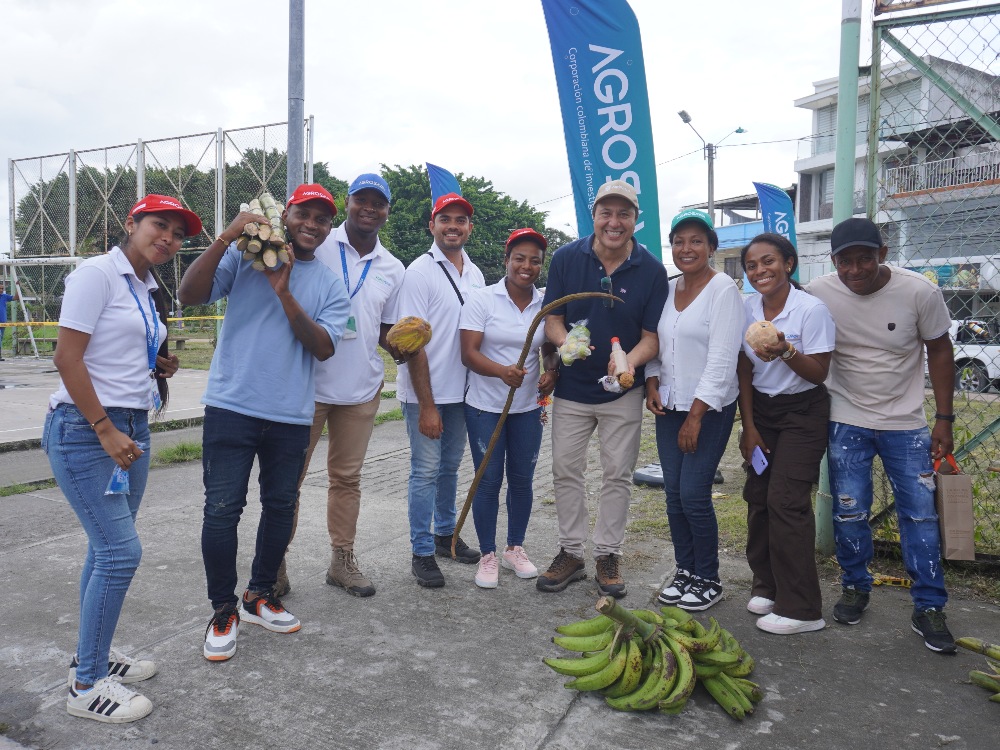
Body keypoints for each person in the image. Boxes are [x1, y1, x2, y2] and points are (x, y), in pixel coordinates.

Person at [177, 184, 350, 662]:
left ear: (328, 226)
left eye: (322, 218)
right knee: (221, 510)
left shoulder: (331, 284)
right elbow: (189, 294)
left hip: (290, 414)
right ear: (286, 215)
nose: (312, 224)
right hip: (231, 405)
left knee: (279, 507)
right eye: (304, 214)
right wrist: (223, 237)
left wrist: (284, 291)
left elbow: (323, 347)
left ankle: (259, 595)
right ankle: (222, 609)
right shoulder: (243, 257)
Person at [45, 194, 197, 722]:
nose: (169, 239)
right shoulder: (97, 275)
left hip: (132, 424)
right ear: (131, 223)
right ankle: (86, 687)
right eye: (160, 226)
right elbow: (68, 356)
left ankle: (92, 656)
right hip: (88, 430)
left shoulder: (144, 286)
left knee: (104, 549)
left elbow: (112, 347)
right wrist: (103, 427)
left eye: (178, 234)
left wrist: (158, 361)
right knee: (119, 553)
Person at [807, 217, 957, 654]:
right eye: (845, 261)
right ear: (833, 261)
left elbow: (940, 350)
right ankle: (856, 585)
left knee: (920, 517)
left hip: (905, 423)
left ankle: (929, 606)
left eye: (864, 259)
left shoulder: (918, 292)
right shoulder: (819, 292)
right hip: (845, 418)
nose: (855, 269)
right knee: (850, 512)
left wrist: (943, 419)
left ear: (883, 255)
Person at [275, 173, 404, 598]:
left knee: (347, 479)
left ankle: (341, 560)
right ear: (347, 203)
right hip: (303, 385)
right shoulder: (315, 241)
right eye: (361, 200)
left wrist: (408, 349)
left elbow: (386, 331)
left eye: (378, 203)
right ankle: (274, 561)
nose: (369, 208)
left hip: (360, 390)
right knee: (287, 480)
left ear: (387, 210)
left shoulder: (392, 268)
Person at [538, 180, 668, 598]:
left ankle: (608, 554)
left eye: (624, 214)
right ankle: (571, 552)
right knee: (566, 471)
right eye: (606, 214)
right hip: (573, 389)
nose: (614, 222)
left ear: (635, 220)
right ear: (593, 216)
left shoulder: (650, 269)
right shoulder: (565, 258)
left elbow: (653, 335)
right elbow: (552, 317)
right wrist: (564, 343)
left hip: (623, 393)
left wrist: (629, 358)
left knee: (617, 475)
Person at [736, 233, 834, 635]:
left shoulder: (811, 310)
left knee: (787, 501)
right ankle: (768, 585)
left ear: (788, 264)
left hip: (803, 412)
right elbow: (743, 368)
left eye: (769, 261)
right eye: (752, 265)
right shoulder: (745, 308)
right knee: (758, 497)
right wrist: (749, 424)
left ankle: (803, 608)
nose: (761, 271)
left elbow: (819, 373)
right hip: (762, 410)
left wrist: (785, 351)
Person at [647, 209, 743, 612]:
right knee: (673, 495)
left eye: (696, 241)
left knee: (693, 493)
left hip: (708, 408)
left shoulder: (723, 289)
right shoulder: (667, 289)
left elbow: (723, 358)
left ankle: (708, 578)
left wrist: (697, 416)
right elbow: (655, 339)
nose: (686, 248)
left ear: (711, 247)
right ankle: (685, 570)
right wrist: (651, 381)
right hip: (669, 405)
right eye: (679, 241)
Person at [459, 228, 558, 589]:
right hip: (486, 407)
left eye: (535, 260)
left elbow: (548, 348)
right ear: (506, 260)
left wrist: (552, 372)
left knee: (522, 480)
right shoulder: (482, 299)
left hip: (529, 408)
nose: (526, 266)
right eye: (519, 258)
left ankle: (515, 547)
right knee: (488, 481)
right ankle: (487, 554)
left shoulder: (546, 303)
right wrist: (501, 372)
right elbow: (468, 353)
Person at [395, 192, 485, 587]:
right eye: (445, 219)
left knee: (450, 469)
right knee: (425, 472)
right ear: (432, 225)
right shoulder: (419, 272)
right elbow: (412, 342)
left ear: (469, 227)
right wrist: (427, 406)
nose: (453, 226)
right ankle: (421, 551)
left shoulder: (477, 274)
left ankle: (445, 535)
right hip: (425, 396)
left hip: (463, 395)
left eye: (460, 220)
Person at [0, 282, 15, 359]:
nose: (1, 290)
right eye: (0, 288)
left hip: (2, 321)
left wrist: (17, 287)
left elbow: (15, 298)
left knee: (1, 337)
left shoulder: (4, 296)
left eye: (2, 288)